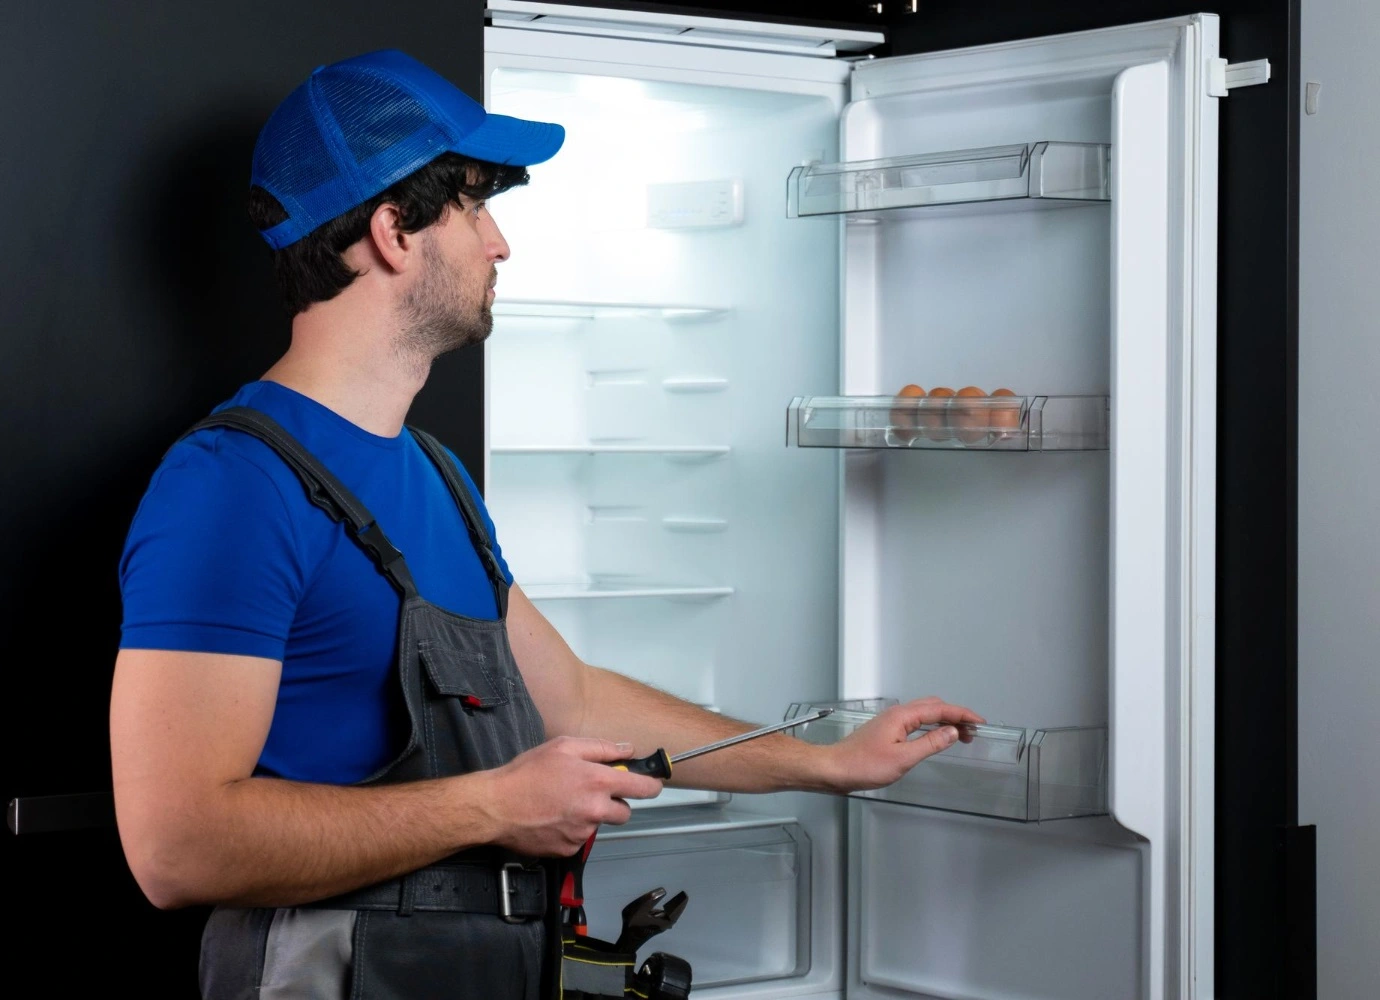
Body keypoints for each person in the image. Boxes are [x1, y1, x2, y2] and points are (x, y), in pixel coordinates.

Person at [109, 49, 983, 1000]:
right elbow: (177, 845)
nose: (499, 245)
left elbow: (563, 695)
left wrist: (821, 762)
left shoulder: (433, 473)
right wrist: (495, 804)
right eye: (476, 207)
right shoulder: (236, 486)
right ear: (393, 230)